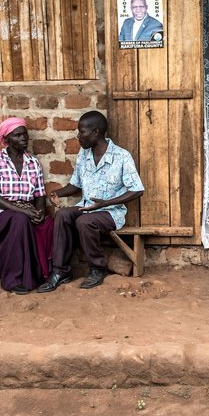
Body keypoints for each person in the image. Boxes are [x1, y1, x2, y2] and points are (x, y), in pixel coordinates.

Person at [39, 111, 144, 291]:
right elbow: (75, 185)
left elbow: (137, 190)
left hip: (111, 212)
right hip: (86, 207)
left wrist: (105, 203)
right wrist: (58, 192)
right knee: (63, 215)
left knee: (84, 221)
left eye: (82, 132)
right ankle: (60, 271)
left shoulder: (121, 156)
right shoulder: (84, 154)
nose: (78, 136)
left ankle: (97, 268)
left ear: (96, 132)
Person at [0, 117, 54, 295]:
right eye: (17, 135)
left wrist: (40, 212)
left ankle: (44, 274)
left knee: (49, 224)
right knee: (20, 220)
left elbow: (40, 195)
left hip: (27, 210)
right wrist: (24, 211)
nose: (23, 138)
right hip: (2, 213)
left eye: (25, 134)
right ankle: (14, 279)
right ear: (6, 139)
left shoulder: (33, 163)